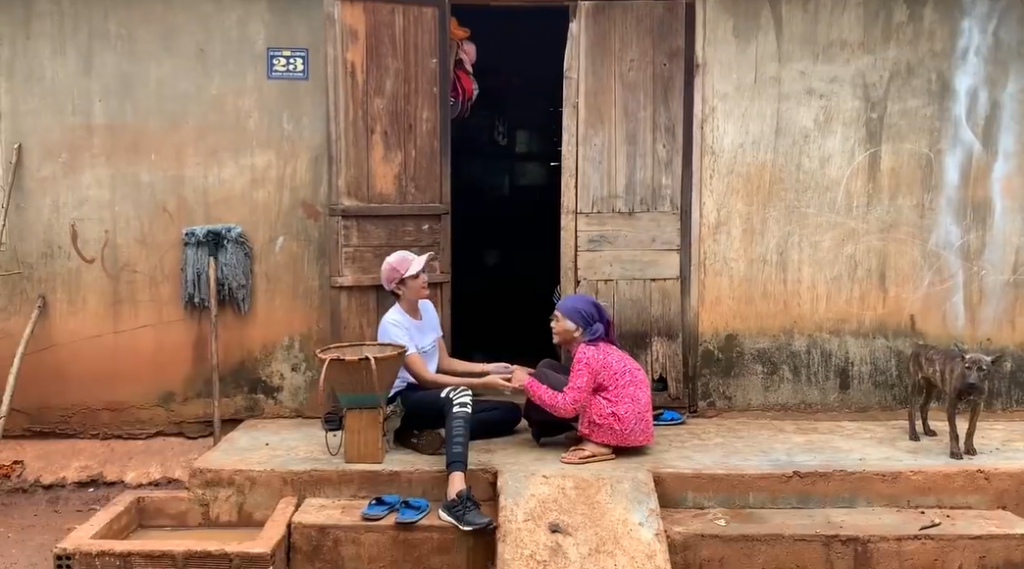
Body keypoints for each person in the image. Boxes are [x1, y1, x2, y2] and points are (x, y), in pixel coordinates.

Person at [377, 249, 523, 530]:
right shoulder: (392, 323)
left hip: (434, 399)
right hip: (406, 400)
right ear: (398, 287)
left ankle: (438, 436)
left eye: (424, 271)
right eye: (416, 275)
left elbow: (443, 362)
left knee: (510, 412)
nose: (425, 278)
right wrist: (482, 384)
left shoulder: (427, 308)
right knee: (460, 394)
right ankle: (455, 497)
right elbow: (425, 378)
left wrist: (490, 368)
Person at [510, 294, 653, 465]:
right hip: (632, 423)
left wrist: (527, 383)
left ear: (577, 329)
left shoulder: (587, 353)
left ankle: (599, 443)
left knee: (540, 379)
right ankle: (584, 429)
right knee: (546, 366)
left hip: (622, 426)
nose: (552, 324)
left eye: (557, 320)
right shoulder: (594, 346)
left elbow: (569, 407)